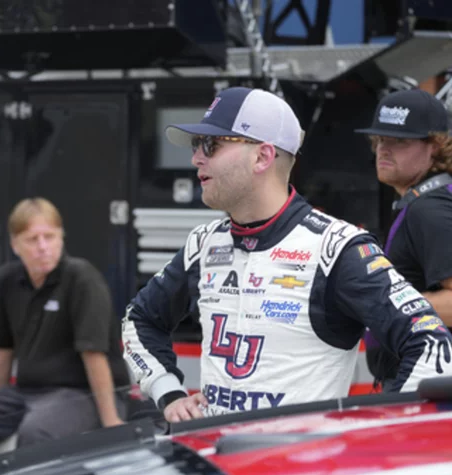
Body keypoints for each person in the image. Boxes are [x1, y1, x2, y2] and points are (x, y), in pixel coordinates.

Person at [122, 86, 452, 423]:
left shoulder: (336, 247)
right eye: (196, 145)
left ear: (263, 157)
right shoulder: (203, 244)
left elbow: (431, 343)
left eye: (212, 145)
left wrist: (383, 433)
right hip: (215, 461)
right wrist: (169, 393)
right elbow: (138, 319)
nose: (196, 159)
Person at [0, 198, 130, 461]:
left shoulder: (81, 278)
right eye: (32, 239)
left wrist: (111, 420)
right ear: (15, 245)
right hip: (27, 392)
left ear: (61, 238)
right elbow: (0, 350)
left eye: (49, 237)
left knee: (36, 431)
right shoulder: (7, 280)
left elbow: (94, 353)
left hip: (81, 393)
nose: (43, 247)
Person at [355, 88, 452, 389]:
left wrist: (375, 306)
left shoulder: (429, 209)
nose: (384, 149)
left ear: (434, 147)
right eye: (380, 139)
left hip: (421, 384)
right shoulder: (429, 202)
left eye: (400, 141)